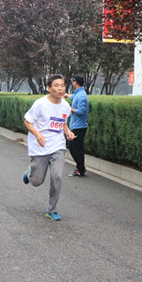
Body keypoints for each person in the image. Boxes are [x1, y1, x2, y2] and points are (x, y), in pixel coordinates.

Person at [22, 74, 76, 221]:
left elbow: (63, 123)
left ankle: (52, 209)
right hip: (40, 146)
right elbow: (27, 122)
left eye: (62, 85)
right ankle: (30, 173)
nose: (60, 88)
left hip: (58, 145)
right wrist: (37, 134)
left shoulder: (65, 105)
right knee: (36, 181)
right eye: (56, 85)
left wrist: (68, 131)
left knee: (57, 176)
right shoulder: (40, 104)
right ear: (49, 88)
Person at [65, 74, 89, 177]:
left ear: (75, 82)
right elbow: (74, 97)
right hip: (76, 126)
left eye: (73, 81)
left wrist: (69, 109)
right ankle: (80, 168)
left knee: (76, 149)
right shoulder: (79, 94)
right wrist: (66, 95)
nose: (72, 83)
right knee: (74, 148)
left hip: (79, 127)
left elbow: (82, 111)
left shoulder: (82, 95)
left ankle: (80, 169)